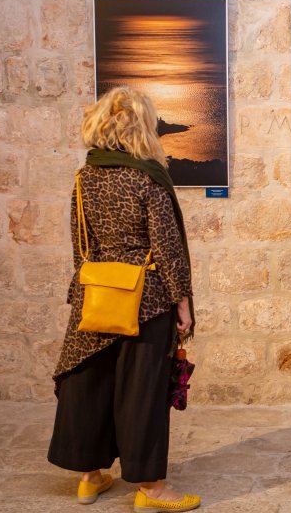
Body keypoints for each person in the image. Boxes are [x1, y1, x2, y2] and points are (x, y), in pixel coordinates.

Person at [47, 86, 200, 512]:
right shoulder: (146, 176)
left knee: (90, 381)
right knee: (142, 390)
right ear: (142, 127)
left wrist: (83, 292)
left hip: (95, 294)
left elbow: (81, 243)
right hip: (146, 299)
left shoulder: (85, 177)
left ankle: (90, 477)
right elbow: (167, 247)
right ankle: (151, 489)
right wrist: (183, 305)